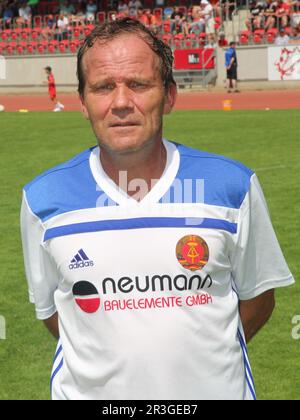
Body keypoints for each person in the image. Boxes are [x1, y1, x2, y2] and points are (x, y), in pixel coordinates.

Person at [21, 18, 294, 400]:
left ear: (168, 95)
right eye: (103, 87)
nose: (120, 103)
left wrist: (200, 352)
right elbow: (54, 313)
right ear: (83, 102)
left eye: (138, 84)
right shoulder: (42, 199)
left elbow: (259, 298)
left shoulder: (232, 186)